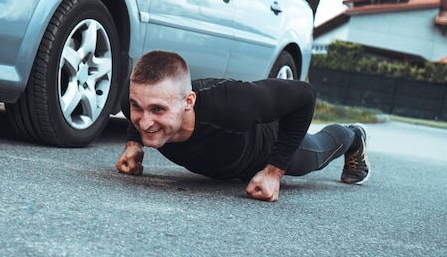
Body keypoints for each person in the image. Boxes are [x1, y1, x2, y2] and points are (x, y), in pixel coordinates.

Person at [115, 50, 370, 202]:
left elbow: (305, 96)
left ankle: (354, 135)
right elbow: (139, 111)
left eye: (158, 109)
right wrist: (133, 143)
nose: (145, 120)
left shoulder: (233, 103)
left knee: (316, 155)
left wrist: (274, 170)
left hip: (263, 149)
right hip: (222, 162)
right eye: (138, 108)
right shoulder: (134, 99)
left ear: (188, 102)